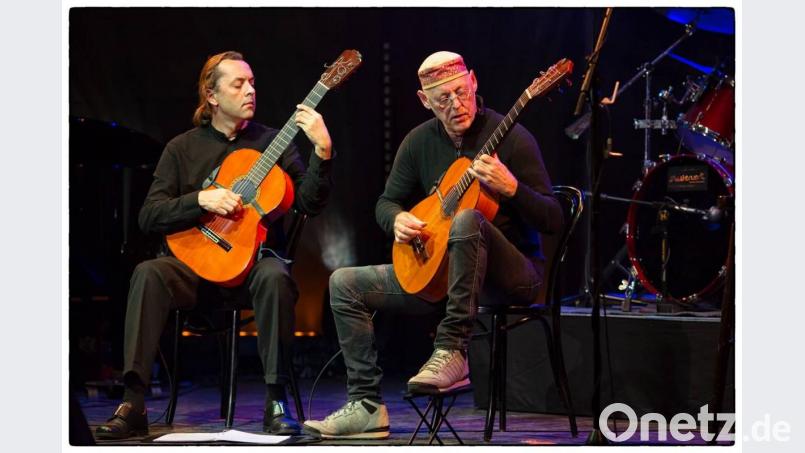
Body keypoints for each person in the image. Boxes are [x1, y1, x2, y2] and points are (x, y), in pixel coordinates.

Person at [302, 51, 563, 440]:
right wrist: (397, 220)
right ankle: (367, 406)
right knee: (344, 283)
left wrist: (512, 189)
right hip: (443, 276)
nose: (456, 105)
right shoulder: (418, 141)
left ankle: (451, 351)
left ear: (473, 82)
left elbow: (554, 219)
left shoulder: (513, 138)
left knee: (468, 219)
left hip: (512, 277)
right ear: (425, 100)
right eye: (442, 99)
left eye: (461, 92)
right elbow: (385, 203)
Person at [95, 51, 334, 439]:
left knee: (276, 276)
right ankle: (133, 403)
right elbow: (148, 216)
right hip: (193, 271)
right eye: (238, 84)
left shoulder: (273, 141)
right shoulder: (181, 148)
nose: (250, 90)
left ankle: (276, 402)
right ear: (212, 96)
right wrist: (199, 201)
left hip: (251, 268)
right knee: (148, 273)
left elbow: (309, 203)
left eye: (252, 82)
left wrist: (323, 153)